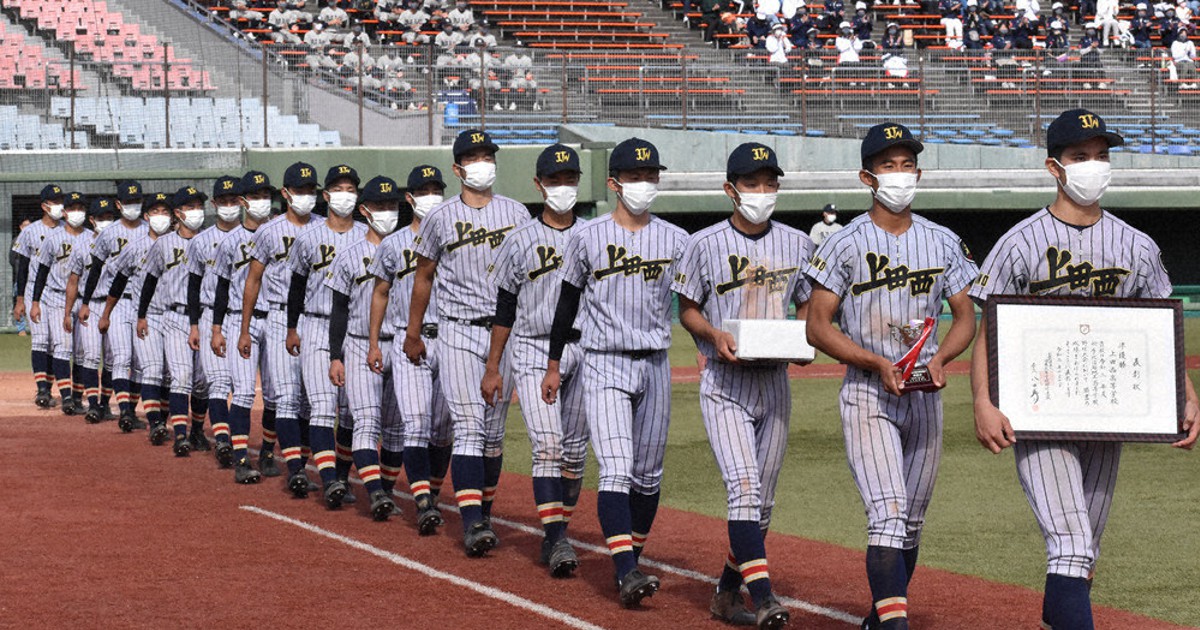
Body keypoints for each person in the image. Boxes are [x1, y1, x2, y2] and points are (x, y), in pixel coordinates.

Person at [967, 108, 1200, 630]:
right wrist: (982, 402)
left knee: (1082, 551)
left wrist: (1186, 394)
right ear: (1055, 167)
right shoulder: (1019, 242)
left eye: (1101, 156)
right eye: (1079, 157)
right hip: (1037, 413)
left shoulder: (1137, 245)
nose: (1093, 166)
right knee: (1071, 541)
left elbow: (1162, 331)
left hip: (1106, 414)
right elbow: (988, 334)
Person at [803, 122, 979, 630]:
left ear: (918, 173)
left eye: (906, 166)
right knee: (887, 512)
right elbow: (817, 326)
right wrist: (873, 362)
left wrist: (943, 358)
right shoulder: (843, 243)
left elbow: (965, 315)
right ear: (867, 177)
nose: (899, 175)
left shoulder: (943, 241)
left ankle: (880, 620)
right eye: (887, 166)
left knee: (911, 523)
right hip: (868, 394)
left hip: (924, 394)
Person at [541, 138, 686, 608]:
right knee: (617, 471)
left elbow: (695, 302)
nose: (644, 183)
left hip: (656, 364)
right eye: (635, 175)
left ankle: (632, 557)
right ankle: (625, 570)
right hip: (604, 361)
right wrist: (554, 360)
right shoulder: (586, 236)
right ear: (614, 182)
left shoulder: (676, 240)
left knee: (648, 476)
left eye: (650, 175)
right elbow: (566, 301)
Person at [674, 142, 812, 629]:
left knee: (764, 506)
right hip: (725, 381)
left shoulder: (798, 243)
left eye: (769, 183)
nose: (761, 192)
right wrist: (710, 333)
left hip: (773, 382)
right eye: (751, 183)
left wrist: (800, 336)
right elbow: (687, 307)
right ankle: (765, 596)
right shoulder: (704, 243)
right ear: (730, 189)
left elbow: (805, 302)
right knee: (745, 490)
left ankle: (726, 593)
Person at [405, 129, 526, 557]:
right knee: (469, 426)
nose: (482, 163)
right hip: (456, 328)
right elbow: (423, 277)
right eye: (472, 157)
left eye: (487, 155)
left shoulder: (517, 213)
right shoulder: (439, 218)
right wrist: (413, 332)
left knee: (493, 434)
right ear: (457, 168)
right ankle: (472, 523)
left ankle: (484, 512)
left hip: (504, 332)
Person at [482, 145, 590, 578]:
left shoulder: (594, 235)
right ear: (538, 184)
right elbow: (504, 307)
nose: (562, 187)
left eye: (569, 179)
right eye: (554, 179)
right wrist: (493, 367)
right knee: (548, 445)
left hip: (586, 349)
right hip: (532, 346)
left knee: (576, 455)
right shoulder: (519, 239)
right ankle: (557, 538)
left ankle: (555, 531)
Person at [368, 165, 456, 531]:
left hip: (451, 338)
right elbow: (380, 293)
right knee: (415, 424)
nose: (431, 196)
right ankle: (422, 501)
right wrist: (374, 343)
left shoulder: (455, 237)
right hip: (409, 339)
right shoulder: (392, 243)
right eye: (424, 190)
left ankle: (431, 494)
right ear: (411, 198)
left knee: (443, 430)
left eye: (437, 189)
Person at [240, 162, 326, 491]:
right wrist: (245, 328)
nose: (307, 195)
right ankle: (295, 469)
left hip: (317, 318)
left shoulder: (324, 226)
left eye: (311, 189)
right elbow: (253, 280)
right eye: (300, 190)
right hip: (278, 316)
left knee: (310, 400)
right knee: (287, 396)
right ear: (287, 194)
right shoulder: (269, 231)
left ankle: (295, 460)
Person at [284, 164, 367, 505]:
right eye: (339, 187)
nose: (345, 193)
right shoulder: (307, 238)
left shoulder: (368, 235)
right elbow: (296, 287)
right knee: (321, 406)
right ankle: (330, 479)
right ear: (326, 194)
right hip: (316, 324)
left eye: (351, 187)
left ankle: (343, 476)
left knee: (350, 412)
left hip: (357, 330)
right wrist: (291, 327)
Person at [328, 175, 406, 520]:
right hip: (360, 344)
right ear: (365, 210)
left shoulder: (411, 250)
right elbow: (339, 309)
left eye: (392, 206)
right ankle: (374, 492)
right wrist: (335, 355)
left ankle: (385, 491)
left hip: (401, 344)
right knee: (366, 421)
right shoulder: (348, 255)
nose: (387, 212)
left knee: (396, 429)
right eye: (379, 206)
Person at [210, 170, 275, 484]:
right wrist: (217, 328)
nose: (262, 201)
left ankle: (268, 451)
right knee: (245, 393)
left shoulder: (280, 234)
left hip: (276, 318)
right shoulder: (230, 242)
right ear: (243, 200)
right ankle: (240, 458)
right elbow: (222, 289)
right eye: (257, 195)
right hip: (239, 319)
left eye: (266, 195)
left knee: (278, 395)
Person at [135, 186, 209, 456]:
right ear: (178, 213)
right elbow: (150, 281)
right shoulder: (163, 244)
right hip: (175, 316)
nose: (196, 211)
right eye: (190, 207)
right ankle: (180, 435)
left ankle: (198, 431)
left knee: (203, 381)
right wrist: (142, 315)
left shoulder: (212, 240)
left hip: (207, 316)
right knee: (181, 377)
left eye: (199, 205)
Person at [98, 192, 176, 446]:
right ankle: (153, 422)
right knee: (151, 369)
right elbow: (119, 282)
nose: (161, 217)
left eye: (165, 212)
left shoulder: (185, 244)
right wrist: (107, 313)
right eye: (156, 212)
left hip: (176, 316)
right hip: (148, 314)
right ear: (146, 216)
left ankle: (161, 420)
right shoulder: (134, 246)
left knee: (169, 374)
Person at [80, 181, 149, 430]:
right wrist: (86, 302)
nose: (133, 206)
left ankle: (130, 407)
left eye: (137, 201)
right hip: (117, 301)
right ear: (119, 204)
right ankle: (126, 412)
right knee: (121, 356)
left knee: (142, 362)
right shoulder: (108, 234)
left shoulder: (151, 230)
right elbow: (95, 270)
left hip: (145, 303)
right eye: (128, 202)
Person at [187, 175, 244, 467]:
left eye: (235, 200)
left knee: (245, 388)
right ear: (214, 203)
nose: (230, 205)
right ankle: (223, 441)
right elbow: (194, 286)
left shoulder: (256, 237)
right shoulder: (200, 241)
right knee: (218, 382)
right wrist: (195, 325)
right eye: (224, 201)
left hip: (247, 318)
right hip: (212, 315)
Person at [29, 191, 89, 416]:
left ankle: (76, 396)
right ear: (64, 212)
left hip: (83, 300)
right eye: (72, 208)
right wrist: (35, 302)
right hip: (55, 297)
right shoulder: (52, 238)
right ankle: (66, 398)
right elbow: (42, 272)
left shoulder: (93, 238)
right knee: (62, 347)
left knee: (83, 352)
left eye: (81, 208)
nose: (77, 212)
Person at [63, 198, 118, 423]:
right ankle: (93, 405)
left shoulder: (120, 244)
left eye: (110, 217)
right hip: (91, 304)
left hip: (116, 306)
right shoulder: (82, 246)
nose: (106, 221)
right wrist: (68, 312)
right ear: (92, 220)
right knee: (91, 356)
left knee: (114, 359)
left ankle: (104, 403)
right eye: (101, 218)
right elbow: (73, 281)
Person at [12, 184, 64, 409]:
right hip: (36, 291)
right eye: (55, 201)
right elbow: (21, 267)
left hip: (61, 292)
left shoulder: (67, 230)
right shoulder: (30, 231)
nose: (60, 206)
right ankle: (43, 389)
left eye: (61, 201)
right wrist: (20, 300)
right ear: (44, 206)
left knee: (57, 344)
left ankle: (51, 388)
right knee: (41, 340)